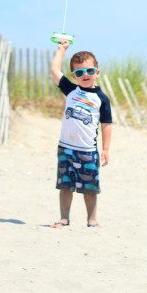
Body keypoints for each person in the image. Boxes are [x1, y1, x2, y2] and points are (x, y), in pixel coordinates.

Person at [49, 40, 112, 228]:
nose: (85, 75)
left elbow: (106, 124)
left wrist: (106, 148)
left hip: (88, 151)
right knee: (65, 185)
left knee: (90, 188)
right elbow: (54, 70)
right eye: (79, 72)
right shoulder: (71, 90)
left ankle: (92, 220)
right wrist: (62, 50)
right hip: (66, 148)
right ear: (74, 76)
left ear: (97, 72)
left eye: (90, 71)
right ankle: (64, 218)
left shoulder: (101, 98)